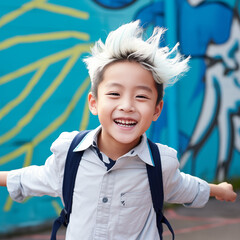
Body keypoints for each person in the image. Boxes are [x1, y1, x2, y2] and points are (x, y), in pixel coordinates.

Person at [0, 21, 237, 240]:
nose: (127, 105)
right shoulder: (69, 156)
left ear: (157, 110)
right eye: (114, 93)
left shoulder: (161, 164)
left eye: (141, 96)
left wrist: (219, 189)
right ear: (94, 103)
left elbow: (187, 186)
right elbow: (30, 178)